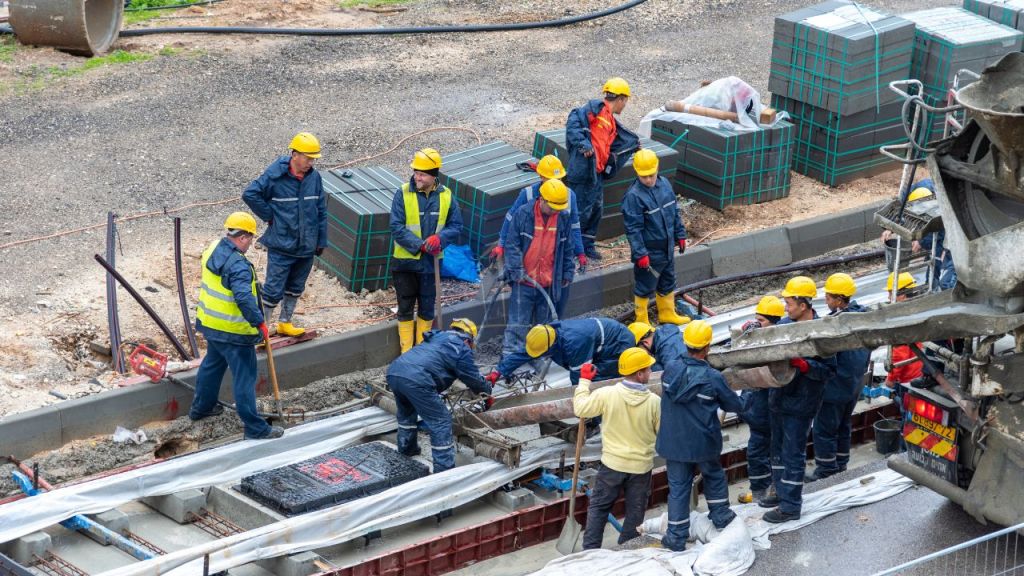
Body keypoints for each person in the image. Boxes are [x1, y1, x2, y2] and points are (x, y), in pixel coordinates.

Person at [190, 212, 283, 440]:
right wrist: (259, 322)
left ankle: (201, 408)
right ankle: (255, 428)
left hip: (212, 325)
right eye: (250, 238)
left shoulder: (213, 248)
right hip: (235, 332)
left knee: (212, 365)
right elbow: (243, 298)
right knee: (245, 377)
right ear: (242, 237)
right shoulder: (239, 266)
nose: (251, 242)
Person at [657, 320, 748, 551]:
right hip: (703, 442)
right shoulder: (712, 378)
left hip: (674, 442)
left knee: (678, 487)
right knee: (714, 476)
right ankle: (720, 517)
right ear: (707, 347)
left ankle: (676, 537)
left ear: (685, 343)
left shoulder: (669, 369)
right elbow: (735, 404)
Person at [761, 276, 836, 523]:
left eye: (789, 302)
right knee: (777, 451)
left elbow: (828, 371)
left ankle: (791, 506)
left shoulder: (822, 332)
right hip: (779, 399)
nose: (785, 307)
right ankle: (780, 491)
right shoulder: (784, 325)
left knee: (792, 453)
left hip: (801, 403)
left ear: (803, 305)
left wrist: (805, 366)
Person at [573, 347, 661, 549]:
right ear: (639, 374)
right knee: (635, 512)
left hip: (612, 464)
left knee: (599, 507)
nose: (650, 372)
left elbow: (580, 409)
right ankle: (628, 547)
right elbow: (662, 434)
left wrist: (584, 381)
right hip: (640, 468)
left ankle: (591, 550)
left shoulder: (607, 394)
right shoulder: (655, 403)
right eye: (648, 369)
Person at [242, 132, 327, 338]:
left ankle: (285, 322)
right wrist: (270, 216)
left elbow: (321, 210)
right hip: (282, 245)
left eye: (313, 158)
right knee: (272, 290)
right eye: (308, 157)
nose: (310, 162)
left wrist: (321, 240)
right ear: (295, 154)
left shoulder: (314, 178)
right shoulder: (275, 176)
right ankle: (262, 330)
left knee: (296, 286)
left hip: (306, 246)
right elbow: (250, 194)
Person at [385, 318, 491, 474]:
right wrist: (487, 390)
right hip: (418, 380)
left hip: (395, 371)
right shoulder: (461, 349)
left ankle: (407, 450)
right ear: (469, 339)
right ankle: (444, 470)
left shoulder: (436, 337)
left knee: (407, 413)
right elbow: (473, 379)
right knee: (440, 420)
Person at [389, 148, 465, 353]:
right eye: (416, 172)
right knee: (405, 307)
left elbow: (456, 226)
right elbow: (396, 227)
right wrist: (421, 245)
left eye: (422, 174)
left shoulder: (446, 196)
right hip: (405, 263)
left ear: (433, 176)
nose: (417, 177)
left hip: (431, 264)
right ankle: (407, 352)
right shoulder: (403, 192)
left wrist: (440, 238)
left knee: (427, 306)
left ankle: (422, 351)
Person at [492, 154, 587, 309]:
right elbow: (511, 219)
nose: (555, 183)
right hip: (530, 256)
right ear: (541, 176)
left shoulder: (569, 196)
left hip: (553, 257)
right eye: (550, 179)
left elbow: (574, 227)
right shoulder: (528, 195)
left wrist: (580, 252)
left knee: (553, 307)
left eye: (558, 179)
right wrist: (501, 244)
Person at [565, 77, 640, 260]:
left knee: (595, 211)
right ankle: (572, 251)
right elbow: (573, 120)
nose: (625, 106)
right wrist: (583, 144)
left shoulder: (611, 121)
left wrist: (632, 146)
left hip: (595, 174)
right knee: (579, 212)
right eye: (626, 101)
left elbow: (613, 146)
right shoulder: (597, 108)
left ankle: (587, 246)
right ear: (621, 98)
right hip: (583, 173)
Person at [499, 179, 575, 359]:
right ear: (541, 199)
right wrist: (516, 270)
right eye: (553, 207)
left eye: (559, 207)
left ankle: (540, 356)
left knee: (544, 325)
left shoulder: (563, 218)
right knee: (518, 322)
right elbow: (512, 245)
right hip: (524, 281)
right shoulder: (523, 214)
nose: (556, 210)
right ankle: (510, 356)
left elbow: (567, 248)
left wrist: (567, 271)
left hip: (549, 282)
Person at [808, 274, 871, 481]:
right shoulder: (862, 316)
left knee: (824, 429)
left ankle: (826, 470)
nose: (825, 300)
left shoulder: (835, 324)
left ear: (838, 299)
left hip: (835, 388)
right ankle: (841, 464)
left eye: (828, 297)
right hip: (853, 386)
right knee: (844, 426)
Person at [623, 149, 689, 326]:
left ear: (657, 169)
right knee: (645, 286)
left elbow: (674, 212)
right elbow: (633, 229)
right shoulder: (633, 196)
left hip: (666, 247)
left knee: (667, 280)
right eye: (644, 177)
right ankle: (642, 322)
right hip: (650, 252)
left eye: (651, 175)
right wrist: (640, 253)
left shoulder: (665, 185)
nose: (648, 180)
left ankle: (667, 314)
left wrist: (680, 234)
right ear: (637, 172)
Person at [735, 295, 784, 504]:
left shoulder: (775, 344)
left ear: (773, 322)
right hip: (757, 411)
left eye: (761, 321)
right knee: (760, 454)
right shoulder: (758, 338)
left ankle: (765, 492)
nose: (756, 324)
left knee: (760, 454)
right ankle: (762, 490)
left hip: (766, 414)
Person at [490, 317, 635, 386]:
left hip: (618, 346)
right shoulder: (545, 335)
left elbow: (579, 378)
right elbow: (523, 353)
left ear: (551, 347)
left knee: (595, 378)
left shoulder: (574, 344)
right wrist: (499, 372)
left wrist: (577, 406)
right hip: (597, 343)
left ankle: (595, 420)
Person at [885, 272, 924, 394]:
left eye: (891, 293)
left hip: (908, 378)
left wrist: (890, 379)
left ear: (901, 295)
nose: (888, 298)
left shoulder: (901, 319)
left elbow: (900, 356)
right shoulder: (919, 309)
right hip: (920, 371)